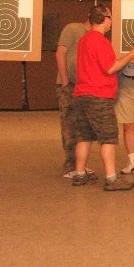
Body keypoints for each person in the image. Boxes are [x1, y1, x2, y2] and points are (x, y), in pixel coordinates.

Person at [70, 4, 134, 191]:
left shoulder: (84, 40)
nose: (111, 20)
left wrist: (124, 57)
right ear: (103, 19)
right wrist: (131, 55)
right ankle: (111, 178)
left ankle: (79, 175)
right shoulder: (101, 41)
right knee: (108, 138)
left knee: (84, 137)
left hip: (81, 95)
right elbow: (110, 68)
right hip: (99, 96)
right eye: (110, 17)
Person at [54, 15, 92, 177]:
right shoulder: (73, 28)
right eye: (108, 17)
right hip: (70, 86)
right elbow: (60, 53)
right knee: (70, 126)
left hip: (85, 86)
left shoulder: (95, 36)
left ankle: (80, 165)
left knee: (82, 127)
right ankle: (71, 166)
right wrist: (65, 82)